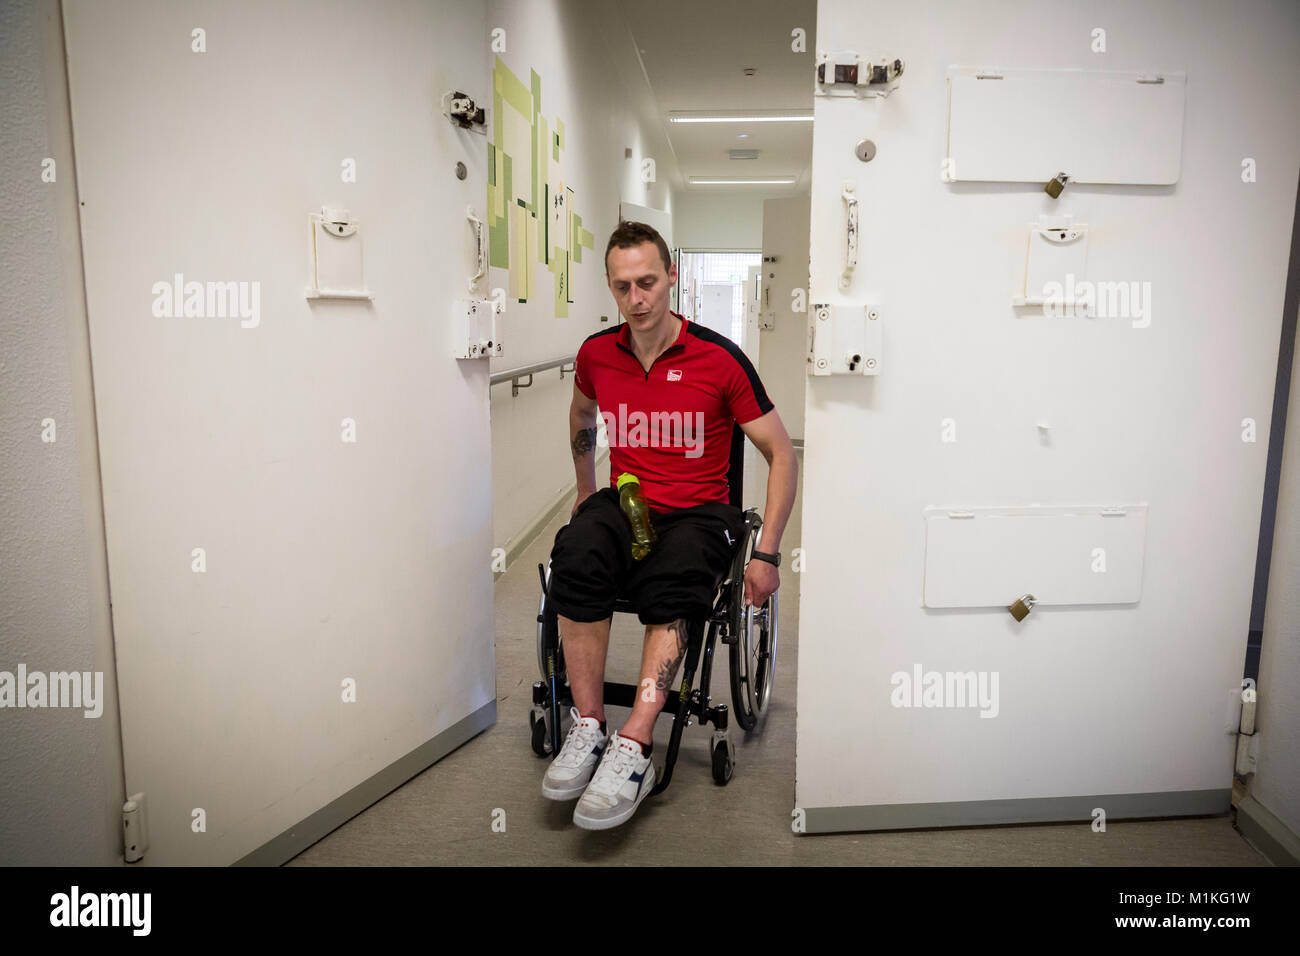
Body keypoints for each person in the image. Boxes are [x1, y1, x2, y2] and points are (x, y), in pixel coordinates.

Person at [541, 221, 798, 829]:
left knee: (678, 579)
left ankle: (634, 742)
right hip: (627, 498)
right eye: (623, 285)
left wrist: (767, 553)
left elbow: (783, 453)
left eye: (649, 281)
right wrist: (584, 490)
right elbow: (581, 414)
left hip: (700, 510)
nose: (638, 297)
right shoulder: (596, 354)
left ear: (672, 276)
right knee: (574, 554)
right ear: (611, 287)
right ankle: (588, 725)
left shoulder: (720, 358)